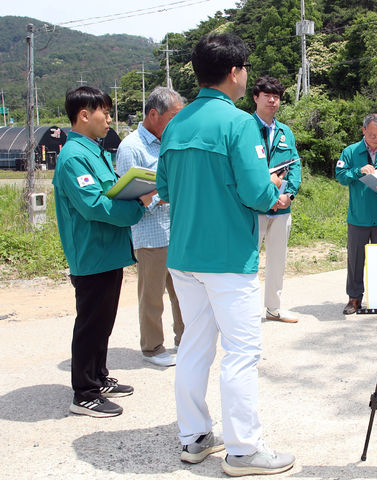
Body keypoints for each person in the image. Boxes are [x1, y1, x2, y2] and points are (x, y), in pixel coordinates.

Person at [156, 33, 295, 476]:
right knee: (241, 352)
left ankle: (194, 437)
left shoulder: (176, 123)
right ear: (235, 73)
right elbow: (256, 193)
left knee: (195, 345)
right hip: (227, 259)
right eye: (246, 69)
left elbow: (162, 188)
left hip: (183, 256)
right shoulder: (238, 124)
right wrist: (271, 187)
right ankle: (243, 449)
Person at [53, 86, 153, 417]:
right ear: (84, 115)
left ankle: (98, 376)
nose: (109, 119)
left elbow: (109, 193)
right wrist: (138, 207)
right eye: (105, 112)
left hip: (108, 250)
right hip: (91, 253)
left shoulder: (95, 151)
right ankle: (84, 393)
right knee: (91, 323)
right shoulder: (74, 157)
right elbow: (95, 205)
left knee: (104, 321)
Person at [116, 86, 185, 368]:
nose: (176, 123)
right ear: (154, 114)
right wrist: (161, 195)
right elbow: (128, 196)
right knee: (152, 294)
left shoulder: (169, 140)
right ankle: (153, 347)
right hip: (150, 233)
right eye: (173, 116)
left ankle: (186, 338)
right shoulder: (131, 147)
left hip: (177, 229)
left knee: (183, 291)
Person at [335, 113, 377, 315]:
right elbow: (340, 176)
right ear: (364, 130)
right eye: (372, 135)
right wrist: (358, 171)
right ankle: (354, 298)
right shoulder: (350, 152)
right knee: (355, 260)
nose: (376, 140)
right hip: (359, 217)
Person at [252, 76, 302, 323]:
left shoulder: (285, 132)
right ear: (256, 97)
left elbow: (295, 166)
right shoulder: (245, 128)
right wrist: (266, 193)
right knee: (248, 261)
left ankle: (274, 308)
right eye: (267, 95)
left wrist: (288, 195)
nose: (272, 100)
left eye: (277, 96)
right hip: (254, 207)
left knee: (277, 260)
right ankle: (246, 312)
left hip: (281, 208)